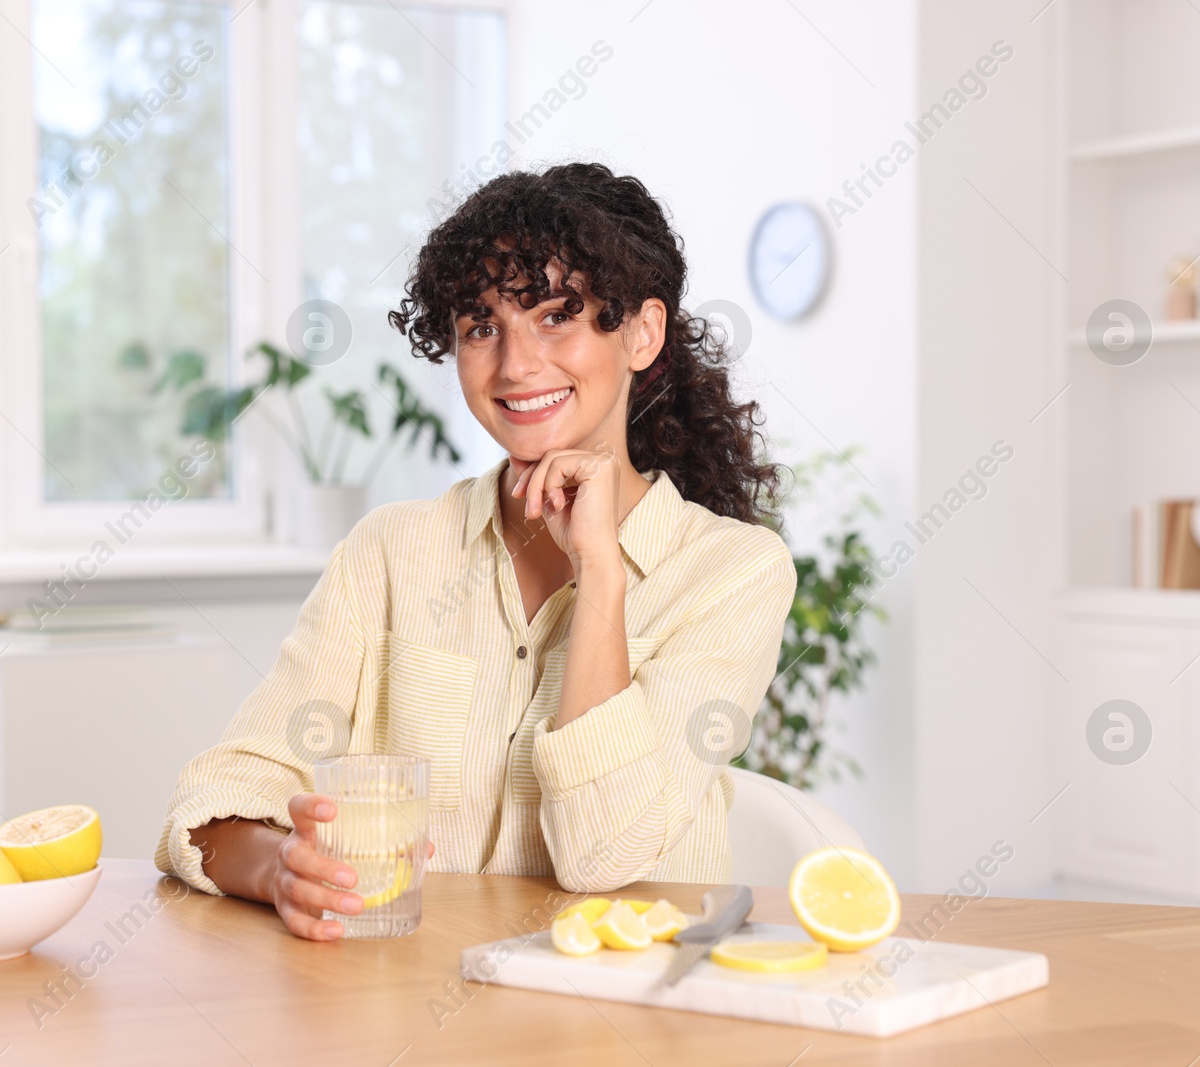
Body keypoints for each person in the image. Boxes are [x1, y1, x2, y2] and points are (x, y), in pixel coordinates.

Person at [157, 162, 796, 940]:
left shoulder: (734, 575)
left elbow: (606, 854)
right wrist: (280, 866)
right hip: (404, 1016)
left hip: (626, 1024)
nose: (516, 364)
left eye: (556, 315)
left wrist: (600, 572)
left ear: (641, 333)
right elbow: (215, 797)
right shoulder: (390, 552)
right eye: (481, 326)